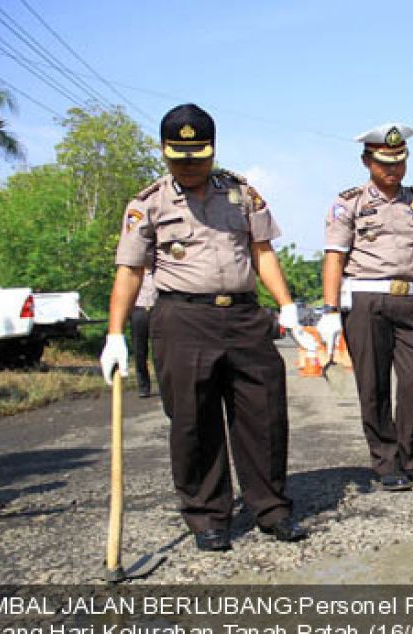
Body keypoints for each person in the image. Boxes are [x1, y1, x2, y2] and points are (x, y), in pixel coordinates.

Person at [100, 104, 313, 552]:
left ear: (213, 151)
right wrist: (115, 334)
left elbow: (263, 253)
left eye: (198, 156)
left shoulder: (241, 195)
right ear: (164, 152)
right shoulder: (148, 203)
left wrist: (288, 306)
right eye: (179, 157)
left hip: (243, 316)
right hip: (182, 319)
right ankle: (207, 516)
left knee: (264, 413)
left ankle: (271, 508)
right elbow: (130, 270)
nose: (190, 165)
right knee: (194, 421)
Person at [319, 123, 413, 492]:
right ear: (367, 161)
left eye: (399, 161)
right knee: (373, 386)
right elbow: (334, 257)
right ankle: (385, 461)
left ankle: (408, 454)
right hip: (365, 299)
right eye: (384, 162)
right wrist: (329, 310)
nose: (392, 169)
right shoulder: (349, 203)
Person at [129, 268, 156, 398]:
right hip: (138, 310)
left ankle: (164, 384)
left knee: (159, 350)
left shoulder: (159, 272)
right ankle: (143, 386)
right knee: (139, 350)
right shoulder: (134, 273)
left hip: (156, 310)